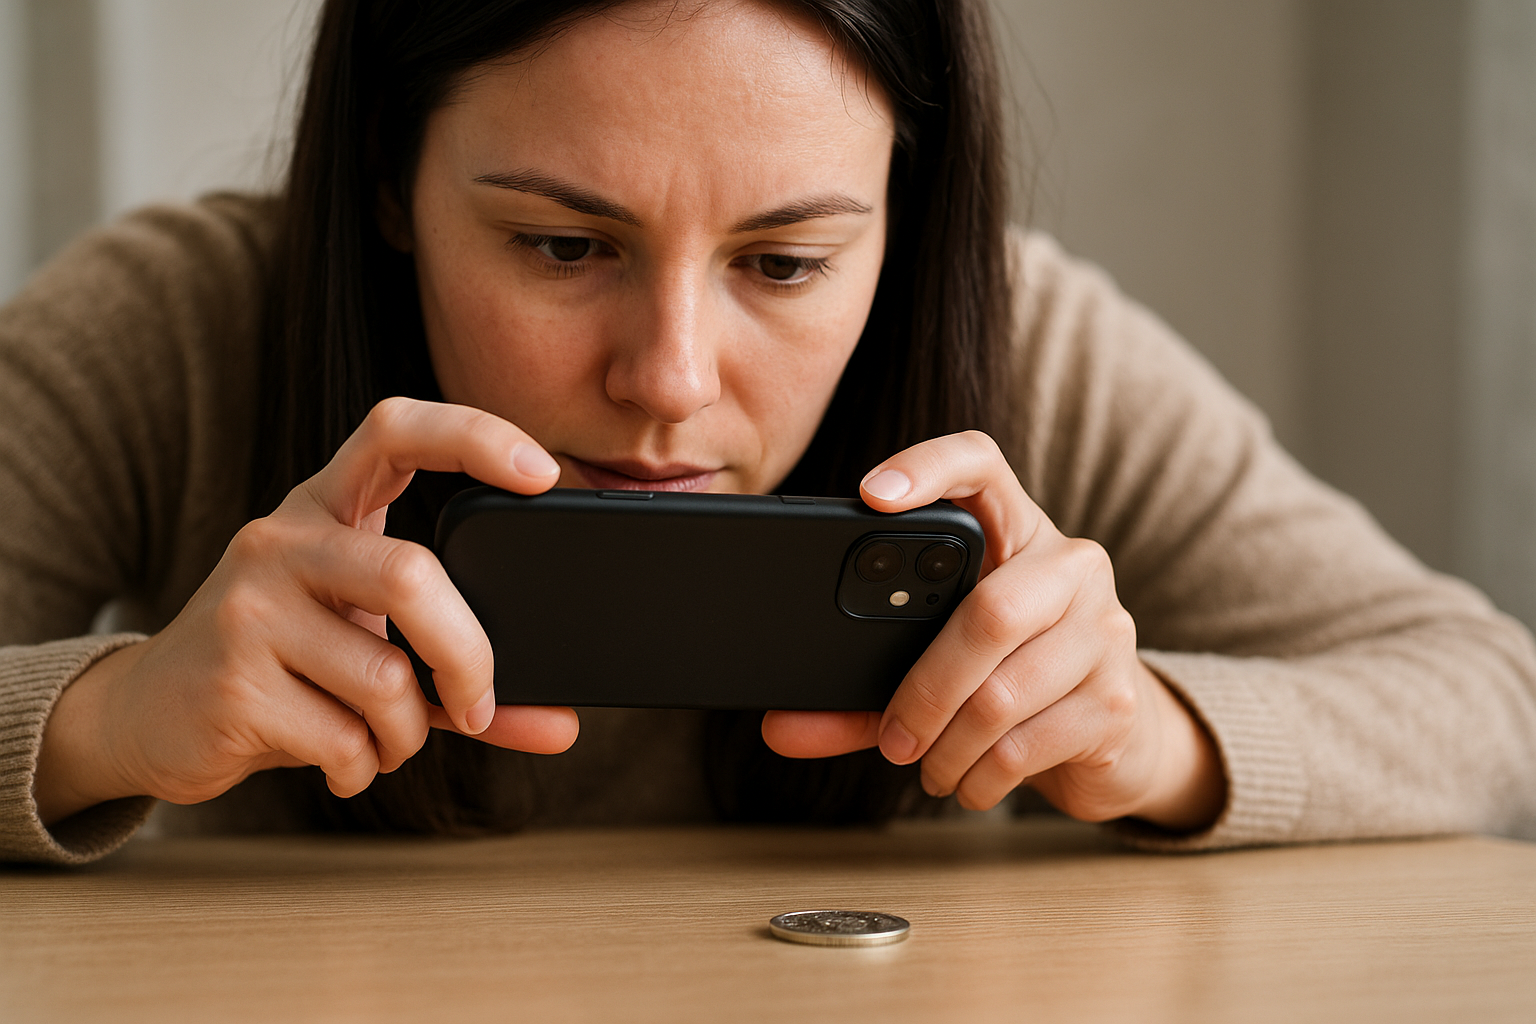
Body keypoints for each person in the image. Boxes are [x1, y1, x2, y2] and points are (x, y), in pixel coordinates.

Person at [3, 0, 1534, 867]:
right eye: (560, 246)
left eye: (788, 264)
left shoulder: (1024, 345)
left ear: (903, 226)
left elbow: (1490, 697)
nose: (671, 381)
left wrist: (1151, 736)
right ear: (391, 186)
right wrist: (112, 721)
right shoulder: (179, 329)